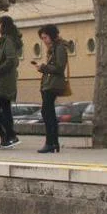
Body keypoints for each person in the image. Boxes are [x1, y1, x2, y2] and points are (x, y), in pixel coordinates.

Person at [33, 24, 68, 154]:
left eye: (45, 37)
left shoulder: (59, 48)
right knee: (48, 113)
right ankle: (53, 143)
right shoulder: (53, 48)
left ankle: (50, 142)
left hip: (53, 84)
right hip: (49, 83)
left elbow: (59, 67)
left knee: (47, 112)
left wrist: (43, 67)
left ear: (52, 36)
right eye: (42, 38)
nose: (44, 41)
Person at [0, 15, 22, 149]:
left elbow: (11, 60)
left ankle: (11, 135)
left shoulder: (8, 41)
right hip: (4, 81)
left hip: (4, 82)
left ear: (3, 26)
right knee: (6, 110)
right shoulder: (5, 41)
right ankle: (8, 139)